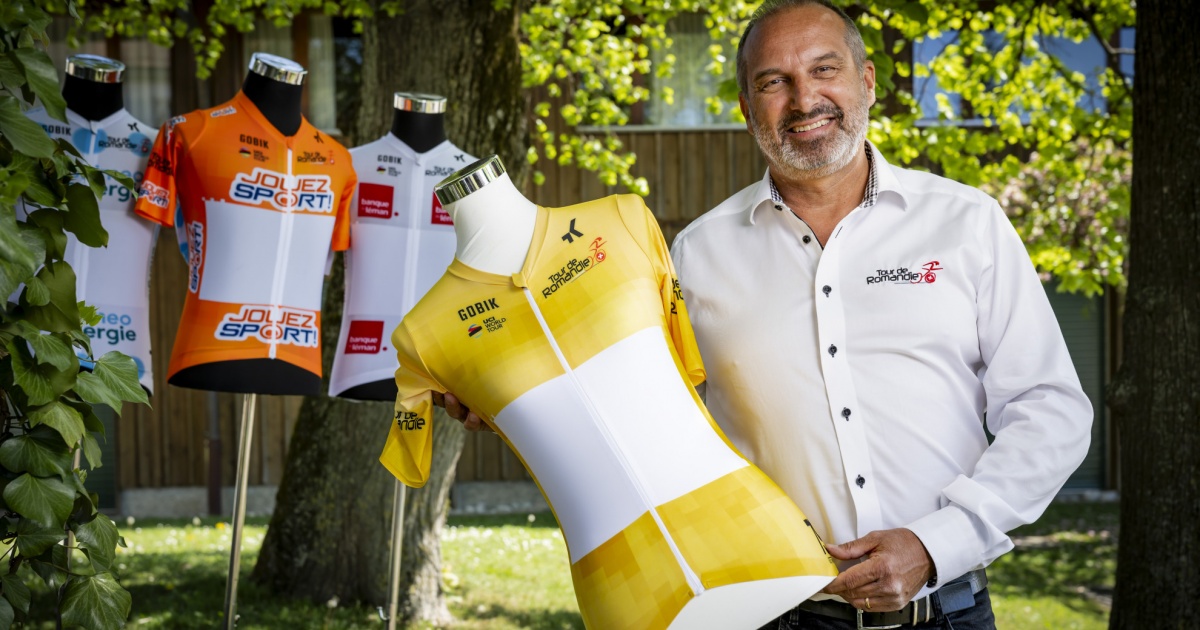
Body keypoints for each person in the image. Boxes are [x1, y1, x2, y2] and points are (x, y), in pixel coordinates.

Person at [445, 1, 1093, 628]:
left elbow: (1051, 410)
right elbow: (639, 411)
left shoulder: (967, 222)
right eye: (773, 82)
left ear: (867, 81)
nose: (804, 100)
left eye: (824, 69)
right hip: (776, 616)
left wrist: (937, 543)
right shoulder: (695, 256)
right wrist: (508, 390)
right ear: (745, 107)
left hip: (947, 613)